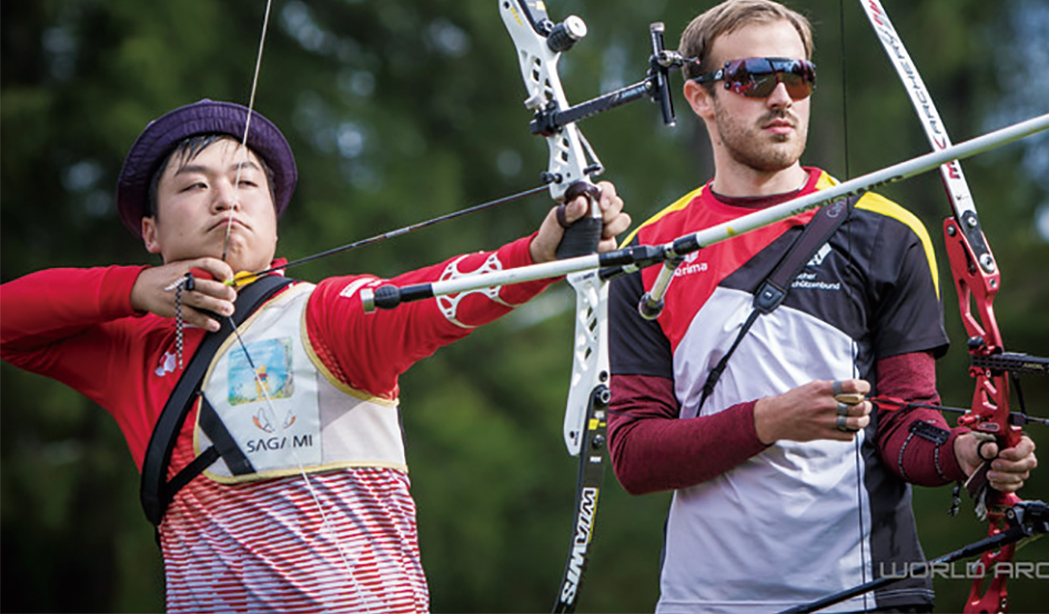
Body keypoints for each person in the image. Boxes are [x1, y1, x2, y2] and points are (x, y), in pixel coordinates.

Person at [0, 98, 630, 614]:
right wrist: (131, 288)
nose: (226, 199)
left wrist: (540, 255)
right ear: (151, 232)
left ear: (273, 218)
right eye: (195, 185)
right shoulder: (135, 352)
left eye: (247, 183)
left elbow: (437, 297)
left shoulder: (323, 315)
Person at [606, 0, 1037, 614]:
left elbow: (904, 421)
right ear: (700, 96)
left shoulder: (889, 233)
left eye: (798, 77)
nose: (781, 96)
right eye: (753, 78)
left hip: (863, 593)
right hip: (704, 599)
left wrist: (959, 453)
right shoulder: (651, 252)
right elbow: (634, 455)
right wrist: (767, 421)